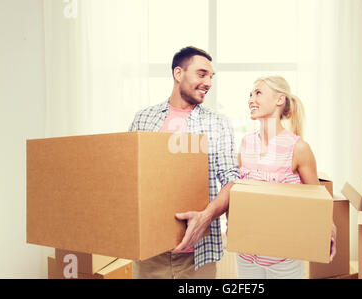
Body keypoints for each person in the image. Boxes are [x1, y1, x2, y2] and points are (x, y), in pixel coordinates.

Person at [129, 46, 239, 278]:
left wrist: (205, 217)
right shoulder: (145, 118)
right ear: (178, 74)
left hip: (197, 257)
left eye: (211, 77)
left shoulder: (217, 123)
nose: (208, 82)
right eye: (201, 74)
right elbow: (129, 176)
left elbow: (231, 181)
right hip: (149, 253)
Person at [236, 76, 337, 279]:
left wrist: (329, 228)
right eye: (250, 94)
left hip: (284, 257)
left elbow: (317, 198)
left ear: (279, 100)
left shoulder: (298, 148)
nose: (250, 99)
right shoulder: (246, 143)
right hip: (246, 254)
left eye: (258, 93)